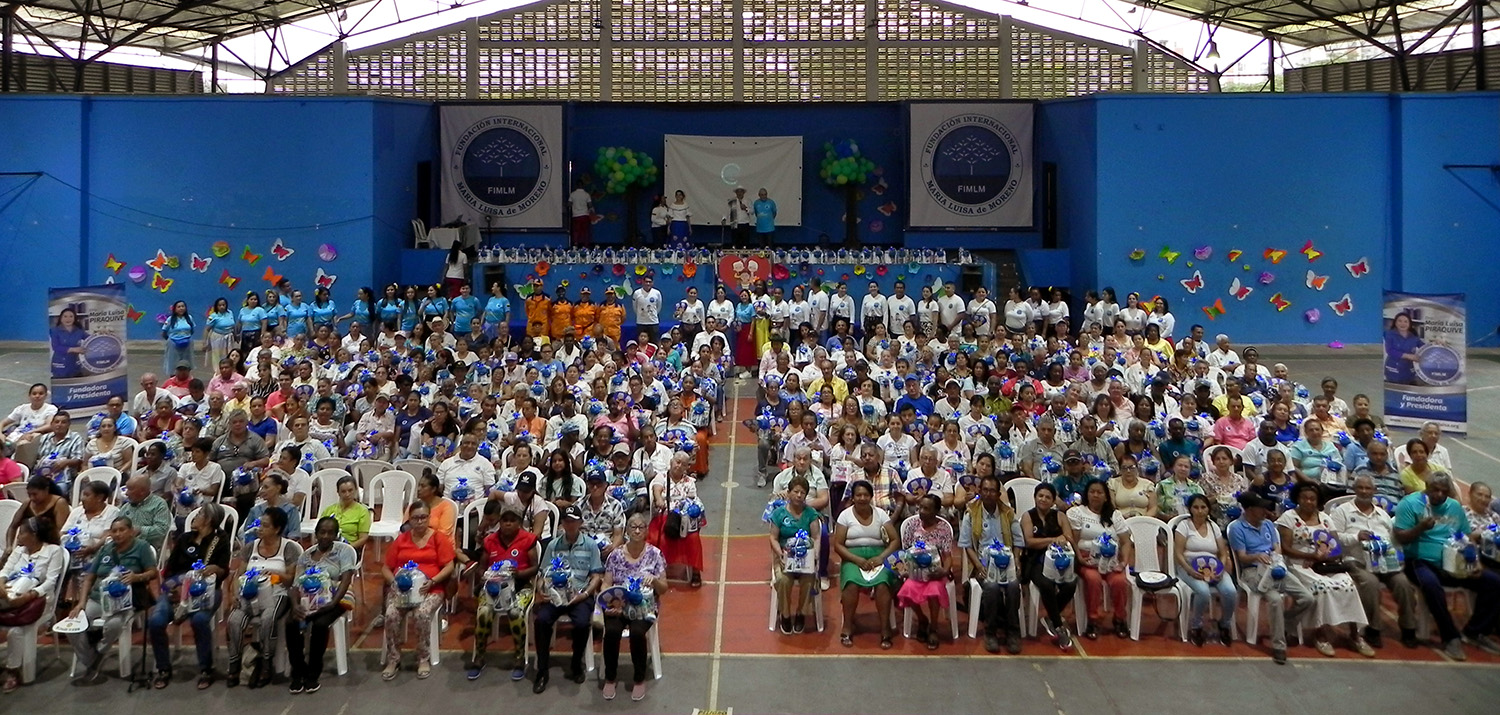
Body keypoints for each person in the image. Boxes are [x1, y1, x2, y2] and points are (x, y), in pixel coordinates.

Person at [1393, 473, 1500, 660]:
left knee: (1493, 582)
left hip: (1454, 563)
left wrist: (1475, 562)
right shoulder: (1410, 504)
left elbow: (1467, 537)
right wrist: (1420, 528)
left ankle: (1475, 631)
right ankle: (1451, 637)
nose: (1440, 494)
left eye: (1444, 490)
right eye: (1435, 490)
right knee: (1432, 587)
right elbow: (1401, 537)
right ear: (1426, 486)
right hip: (1420, 561)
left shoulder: (1454, 507)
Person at [1329, 474, 1420, 649]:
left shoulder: (1383, 515)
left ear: (1374, 491)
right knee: (1370, 583)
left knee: (1403, 584)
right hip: (1356, 561)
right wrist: (1356, 537)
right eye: (1361, 488)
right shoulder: (1341, 512)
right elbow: (1334, 538)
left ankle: (1409, 628)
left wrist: (1395, 556)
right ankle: (1373, 629)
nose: (1364, 491)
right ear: (1355, 490)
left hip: (1385, 563)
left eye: (1368, 488)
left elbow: (1393, 540)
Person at [146, 502, 231, 690]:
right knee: (156, 621)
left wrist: (216, 569)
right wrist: (172, 589)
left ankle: (205, 669)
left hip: (205, 590)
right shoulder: (184, 539)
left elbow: (224, 570)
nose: (195, 517)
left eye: (200, 514)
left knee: (200, 620)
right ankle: (163, 668)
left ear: (209, 520)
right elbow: (168, 571)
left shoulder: (220, 539)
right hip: (176, 589)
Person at [68, 516, 158, 684]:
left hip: (123, 599)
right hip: (98, 597)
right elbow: (89, 578)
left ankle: (99, 652)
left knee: (114, 625)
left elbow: (153, 572)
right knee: (73, 625)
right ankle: (91, 658)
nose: (117, 534)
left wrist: (136, 577)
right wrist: (81, 602)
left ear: (131, 531)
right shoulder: (106, 549)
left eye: (122, 530)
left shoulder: (142, 547)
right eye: (114, 531)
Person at [1227, 492, 1313, 664]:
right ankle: (1279, 645)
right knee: (1275, 600)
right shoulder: (1237, 528)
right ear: (1250, 510)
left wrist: (1275, 560)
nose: (1265, 510)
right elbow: (1242, 557)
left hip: (1275, 567)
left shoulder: (1268, 525)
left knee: (1307, 598)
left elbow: (1277, 548)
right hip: (1252, 571)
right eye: (1261, 508)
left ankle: (1286, 621)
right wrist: (1257, 556)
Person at [225, 506, 301, 688]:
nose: (260, 528)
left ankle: (267, 664)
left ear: (276, 529)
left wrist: (276, 574)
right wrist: (234, 594)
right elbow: (238, 575)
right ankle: (235, 665)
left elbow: (291, 580)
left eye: (265, 526)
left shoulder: (288, 548)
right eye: (260, 524)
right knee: (234, 620)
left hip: (276, 592)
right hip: (249, 593)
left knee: (268, 618)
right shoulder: (251, 547)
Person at [531, 504, 603, 694]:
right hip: (555, 595)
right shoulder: (554, 545)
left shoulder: (590, 545)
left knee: (581, 624)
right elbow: (542, 573)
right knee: (542, 622)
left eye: (574, 521)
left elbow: (596, 575)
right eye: (566, 521)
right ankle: (542, 670)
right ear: (562, 523)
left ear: (580, 523)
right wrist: (541, 590)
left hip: (579, 595)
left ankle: (576, 662)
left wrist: (585, 594)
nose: (570, 525)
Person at [381, 500, 455, 681]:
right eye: (416, 518)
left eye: (423, 517)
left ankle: (423, 657)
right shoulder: (401, 540)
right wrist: (395, 582)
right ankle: (393, 658)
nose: (420, 521)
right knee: (391, 614)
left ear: (429, 517)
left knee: (421, 614)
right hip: (402, 590)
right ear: (410, 520)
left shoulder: (438, 539)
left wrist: (432, 581)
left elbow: (449, 566)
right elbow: (386, 568)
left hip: (430, 589)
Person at [286, 516, 358, 693]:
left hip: (336, 597)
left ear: (336, 534)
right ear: (316, 533)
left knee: (319, 625)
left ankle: (313, 673)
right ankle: (298, 670)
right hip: (307, 599)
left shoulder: (343, 552)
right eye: (322, 532)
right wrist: (295, 605)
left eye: (330, 533)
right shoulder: (306, 556)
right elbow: (295, 585)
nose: (326, 536)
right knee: (291, 623)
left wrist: (333, 602)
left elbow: (346, 579)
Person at [600, 511, 667, 701]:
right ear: (627, 530)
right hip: (619, 605)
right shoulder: (616, 555)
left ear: (646, 531)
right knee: (612, 631)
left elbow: (664, 588)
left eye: (641, 527)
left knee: (638, 632)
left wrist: (654, 580)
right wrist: (608, 599)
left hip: (644, 608)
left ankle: (639, 679)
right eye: (633, 527)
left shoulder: (655, 554)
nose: (637, 531)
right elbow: (606, 583)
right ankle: (610, 677)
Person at [468, 506, 539, 682]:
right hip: (493, 587)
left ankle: (519, 658)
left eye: (512, 520)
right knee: (484, 613)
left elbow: (535, 567)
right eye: (504, 520)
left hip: (521, 586)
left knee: (515, 612)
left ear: (519, 523)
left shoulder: (528, 539)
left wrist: (519, 574)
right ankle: (479, 656)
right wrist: (484, 575)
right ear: (499, 521)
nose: (508, 524)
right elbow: (482, 565)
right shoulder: (490, 540)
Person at [958, 474, 1023, 654]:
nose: (988, 494)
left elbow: (1018, 541)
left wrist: (1017, 561)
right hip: (984, 563)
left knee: (1013, 586)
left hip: (1007, 563)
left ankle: (1012, 632)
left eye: (992, 491)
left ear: (998, 493)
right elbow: (967, 545)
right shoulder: (971, 513)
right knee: (992, 587)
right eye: (985, 490)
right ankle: (990, 631)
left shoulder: (1008, 513)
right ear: (980, 491)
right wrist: (979, 567)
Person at [0, 517, 64, 693]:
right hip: (11, 593)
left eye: (21, 534)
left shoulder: (53, 551)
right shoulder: (19, 551)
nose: (18, 537)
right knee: (8, 595)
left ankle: (13, 671)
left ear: (34, 535)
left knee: (16, 631)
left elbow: (50, 581)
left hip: (39, 600)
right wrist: (1, 583)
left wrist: (30, 595)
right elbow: (4, 571)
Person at [833, 479, 898, 649]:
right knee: (851, 583)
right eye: (858, 495)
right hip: (853, 556)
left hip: (878, 555)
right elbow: (838, 545)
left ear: (871, 496)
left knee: (883, 583)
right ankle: (847, 625)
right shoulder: (845, 516)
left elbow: (894, 540)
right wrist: (857, 560)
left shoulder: (881, 514)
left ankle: (885, 628)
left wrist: (881, 558)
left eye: (865, 495)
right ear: (853, 497)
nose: (862, 498)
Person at [1069, 479, 1133, 639]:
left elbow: (1126, 541)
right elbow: (1073, 541)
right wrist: (1079, 559)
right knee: (1093, 579)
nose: (1095, 495)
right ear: (1087, 495)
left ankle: (1119, 619)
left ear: (1106, 496)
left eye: (1099, 492)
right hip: (1086, 559)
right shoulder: (1078, 513)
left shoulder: (1115, 515)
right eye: (1092, 492)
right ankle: (1093, 620)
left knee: (1119, 581)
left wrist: (1123, 562)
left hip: (1111, 560)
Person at [1174, 494, 1238, 647]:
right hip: (1188, 567)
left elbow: (1222, 553)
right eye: (1196, 507)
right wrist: (1189, 570)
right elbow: (1178, 553)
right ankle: (1196, 626)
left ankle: (1224, 624)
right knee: (1203, 592)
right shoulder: (1184, 526)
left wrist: (1221, 569)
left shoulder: (1213, 526)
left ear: (1208, 509)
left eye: (1203, 507)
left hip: (1214, 567)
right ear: (1190, 509)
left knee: (1230, 591)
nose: (1200, 511)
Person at [1021, 483, 1077, 650]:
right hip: (1035, 560)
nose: (1043, 499)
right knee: (1046, 583)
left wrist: (1061, 539)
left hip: (1060, 559)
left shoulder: (1060, 516)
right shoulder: (1028, 516)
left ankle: (1050, 618)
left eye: (1047, 497)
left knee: (1071, 583)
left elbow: (1068, 537)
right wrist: (1052, 540)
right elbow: (1029, 542)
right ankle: (1059, 627)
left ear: (1053, 500)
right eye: (1040, 496)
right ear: (1035, 497)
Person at [897, 493, 954, 650]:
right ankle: (922, 619)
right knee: (907, 589)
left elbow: (948, 556)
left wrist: (944, 571)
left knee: (934, 590)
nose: (921, 511)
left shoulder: (943, 529)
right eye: (920, 507)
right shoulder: (912, 526)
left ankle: (934, 628)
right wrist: (905, 569)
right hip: (915, 572)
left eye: (926, 509)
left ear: (936, 511)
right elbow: (905, 551)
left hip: (934, 573)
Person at [768, 476, 821, 635]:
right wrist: (780, 554)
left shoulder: (811, 513)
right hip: (785, 557)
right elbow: (773, 538)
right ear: (789, 493)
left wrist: (815, 555)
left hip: (805, 558)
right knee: (783, 580)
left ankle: (801, 613)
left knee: (809, 579)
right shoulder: (779, 513)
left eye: (802, 493)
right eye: (796, 492)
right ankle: (785, 614)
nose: (799, 495)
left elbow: (816, 537)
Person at [1382, 312, 1425, 385]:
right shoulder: (1389, 334)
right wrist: (1408, 356)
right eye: (1400, 321)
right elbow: (1390, 350)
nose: (1403, 324)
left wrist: (1436, 343)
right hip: (1393, 371)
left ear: (1409, 324)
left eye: (1405, 321)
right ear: (1395, 322)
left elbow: (1424, 347)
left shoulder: (1413, 337)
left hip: (1409, 372)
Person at [50, 307, 88, 379]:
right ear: (61, 318)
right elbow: (56, 347)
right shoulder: (54, 331)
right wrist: (73, 349)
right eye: (65, 316)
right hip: (60, 366)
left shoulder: (79, 331)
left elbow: (91, 339)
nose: (68, 319)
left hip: (75, 365)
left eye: (71, 316)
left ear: (74, 318)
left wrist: (101, 334)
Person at [632, 275, 663, 344]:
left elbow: (659, 307)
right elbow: (635, 307)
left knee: (654, 342)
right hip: (641, 322)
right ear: (642, 282)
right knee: (641, 342)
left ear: (652, 283)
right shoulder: (637, 293)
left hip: (653, 322)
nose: (648, 284)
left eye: (650, 282)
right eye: (646, 282)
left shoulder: (657, 293)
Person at [569, 182, 594, 247]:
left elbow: (569, 204)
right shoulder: (586, 194)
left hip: (576, 215)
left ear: (576, 186)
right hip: (585, 215)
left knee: (576, 231)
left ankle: (575, 244)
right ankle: (586, 245)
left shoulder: (573, 194)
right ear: (583, 186)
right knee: (585, 231)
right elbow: (590, 205)